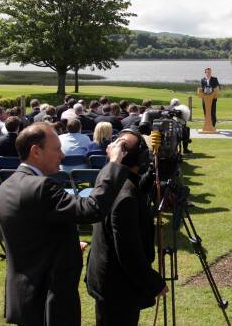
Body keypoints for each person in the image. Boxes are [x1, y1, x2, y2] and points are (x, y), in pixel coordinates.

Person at [0, 122, 129, 325]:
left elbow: (33, 234)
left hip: (24, 298)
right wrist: (114, 163)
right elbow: (92, 209)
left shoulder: (6, 186)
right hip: (50, 303)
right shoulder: (42, 187)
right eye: (57, 149)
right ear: (36, 151)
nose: (62, 156)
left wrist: (67, 249)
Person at [86, 129, 167, 325]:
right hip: (117, 286)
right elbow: (128, 252)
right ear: (140, 158)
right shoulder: (125, 197)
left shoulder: (109, 177)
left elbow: (139, 185)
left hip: (109, 280)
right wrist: (154, 283)